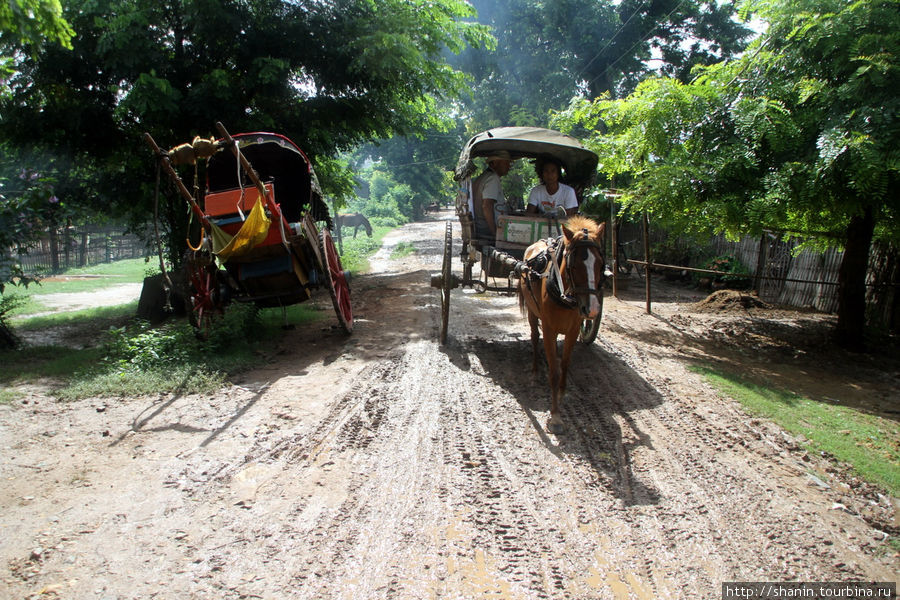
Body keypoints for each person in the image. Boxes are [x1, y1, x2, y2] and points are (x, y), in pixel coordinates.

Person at [471, 151, 513, 240]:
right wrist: (494, 232)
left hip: (480, 227)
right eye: (506, 163)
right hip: (486, 229)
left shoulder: (483, 177)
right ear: (495, 163)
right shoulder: (492, 178)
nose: (509, 166)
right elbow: (486, 206)